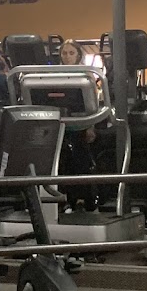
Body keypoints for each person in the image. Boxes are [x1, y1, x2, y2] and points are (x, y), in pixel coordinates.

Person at [57, 39, 98, 212]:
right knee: (64, 164)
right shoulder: (55, 74)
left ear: (78, 55)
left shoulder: (86, 74)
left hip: (81, 124)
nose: (67, 57)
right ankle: (68, 199)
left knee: (81, 164)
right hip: (61, 125)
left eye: (71, 53)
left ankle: (87, 200)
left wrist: (91, 126)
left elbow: (93, 103)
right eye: (64, 53)